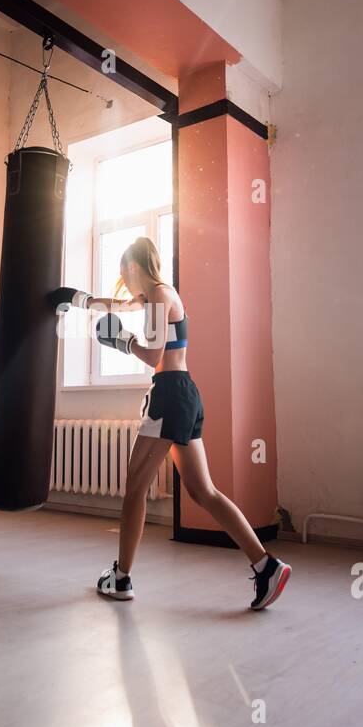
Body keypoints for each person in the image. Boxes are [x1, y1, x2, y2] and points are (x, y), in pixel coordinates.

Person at [48, 236, 291, 610]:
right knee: (203, 492)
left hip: (170, 394)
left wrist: (122, 342)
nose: (125, 285)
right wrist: (77, 299)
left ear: (132, 267)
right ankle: (266, 565)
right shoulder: (157, 297)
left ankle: (122, 577)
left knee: (134, 490)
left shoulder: (160, 297)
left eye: (123, 274)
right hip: (184, 395)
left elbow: (153, 354)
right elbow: (116, 304)